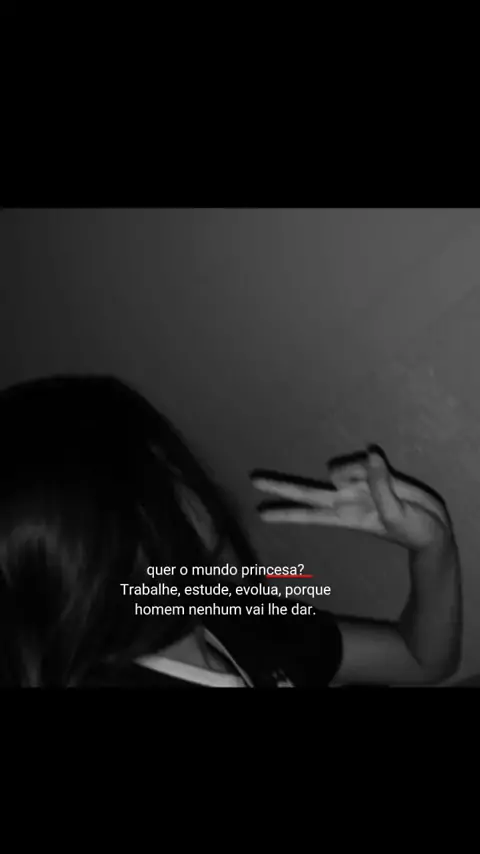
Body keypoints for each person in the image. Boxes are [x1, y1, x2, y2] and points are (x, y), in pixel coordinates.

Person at [0, 374, 462, 688]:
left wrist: (432, 546)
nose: (197, 486)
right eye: (164, 471)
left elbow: (421, 660)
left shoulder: (226, 611)